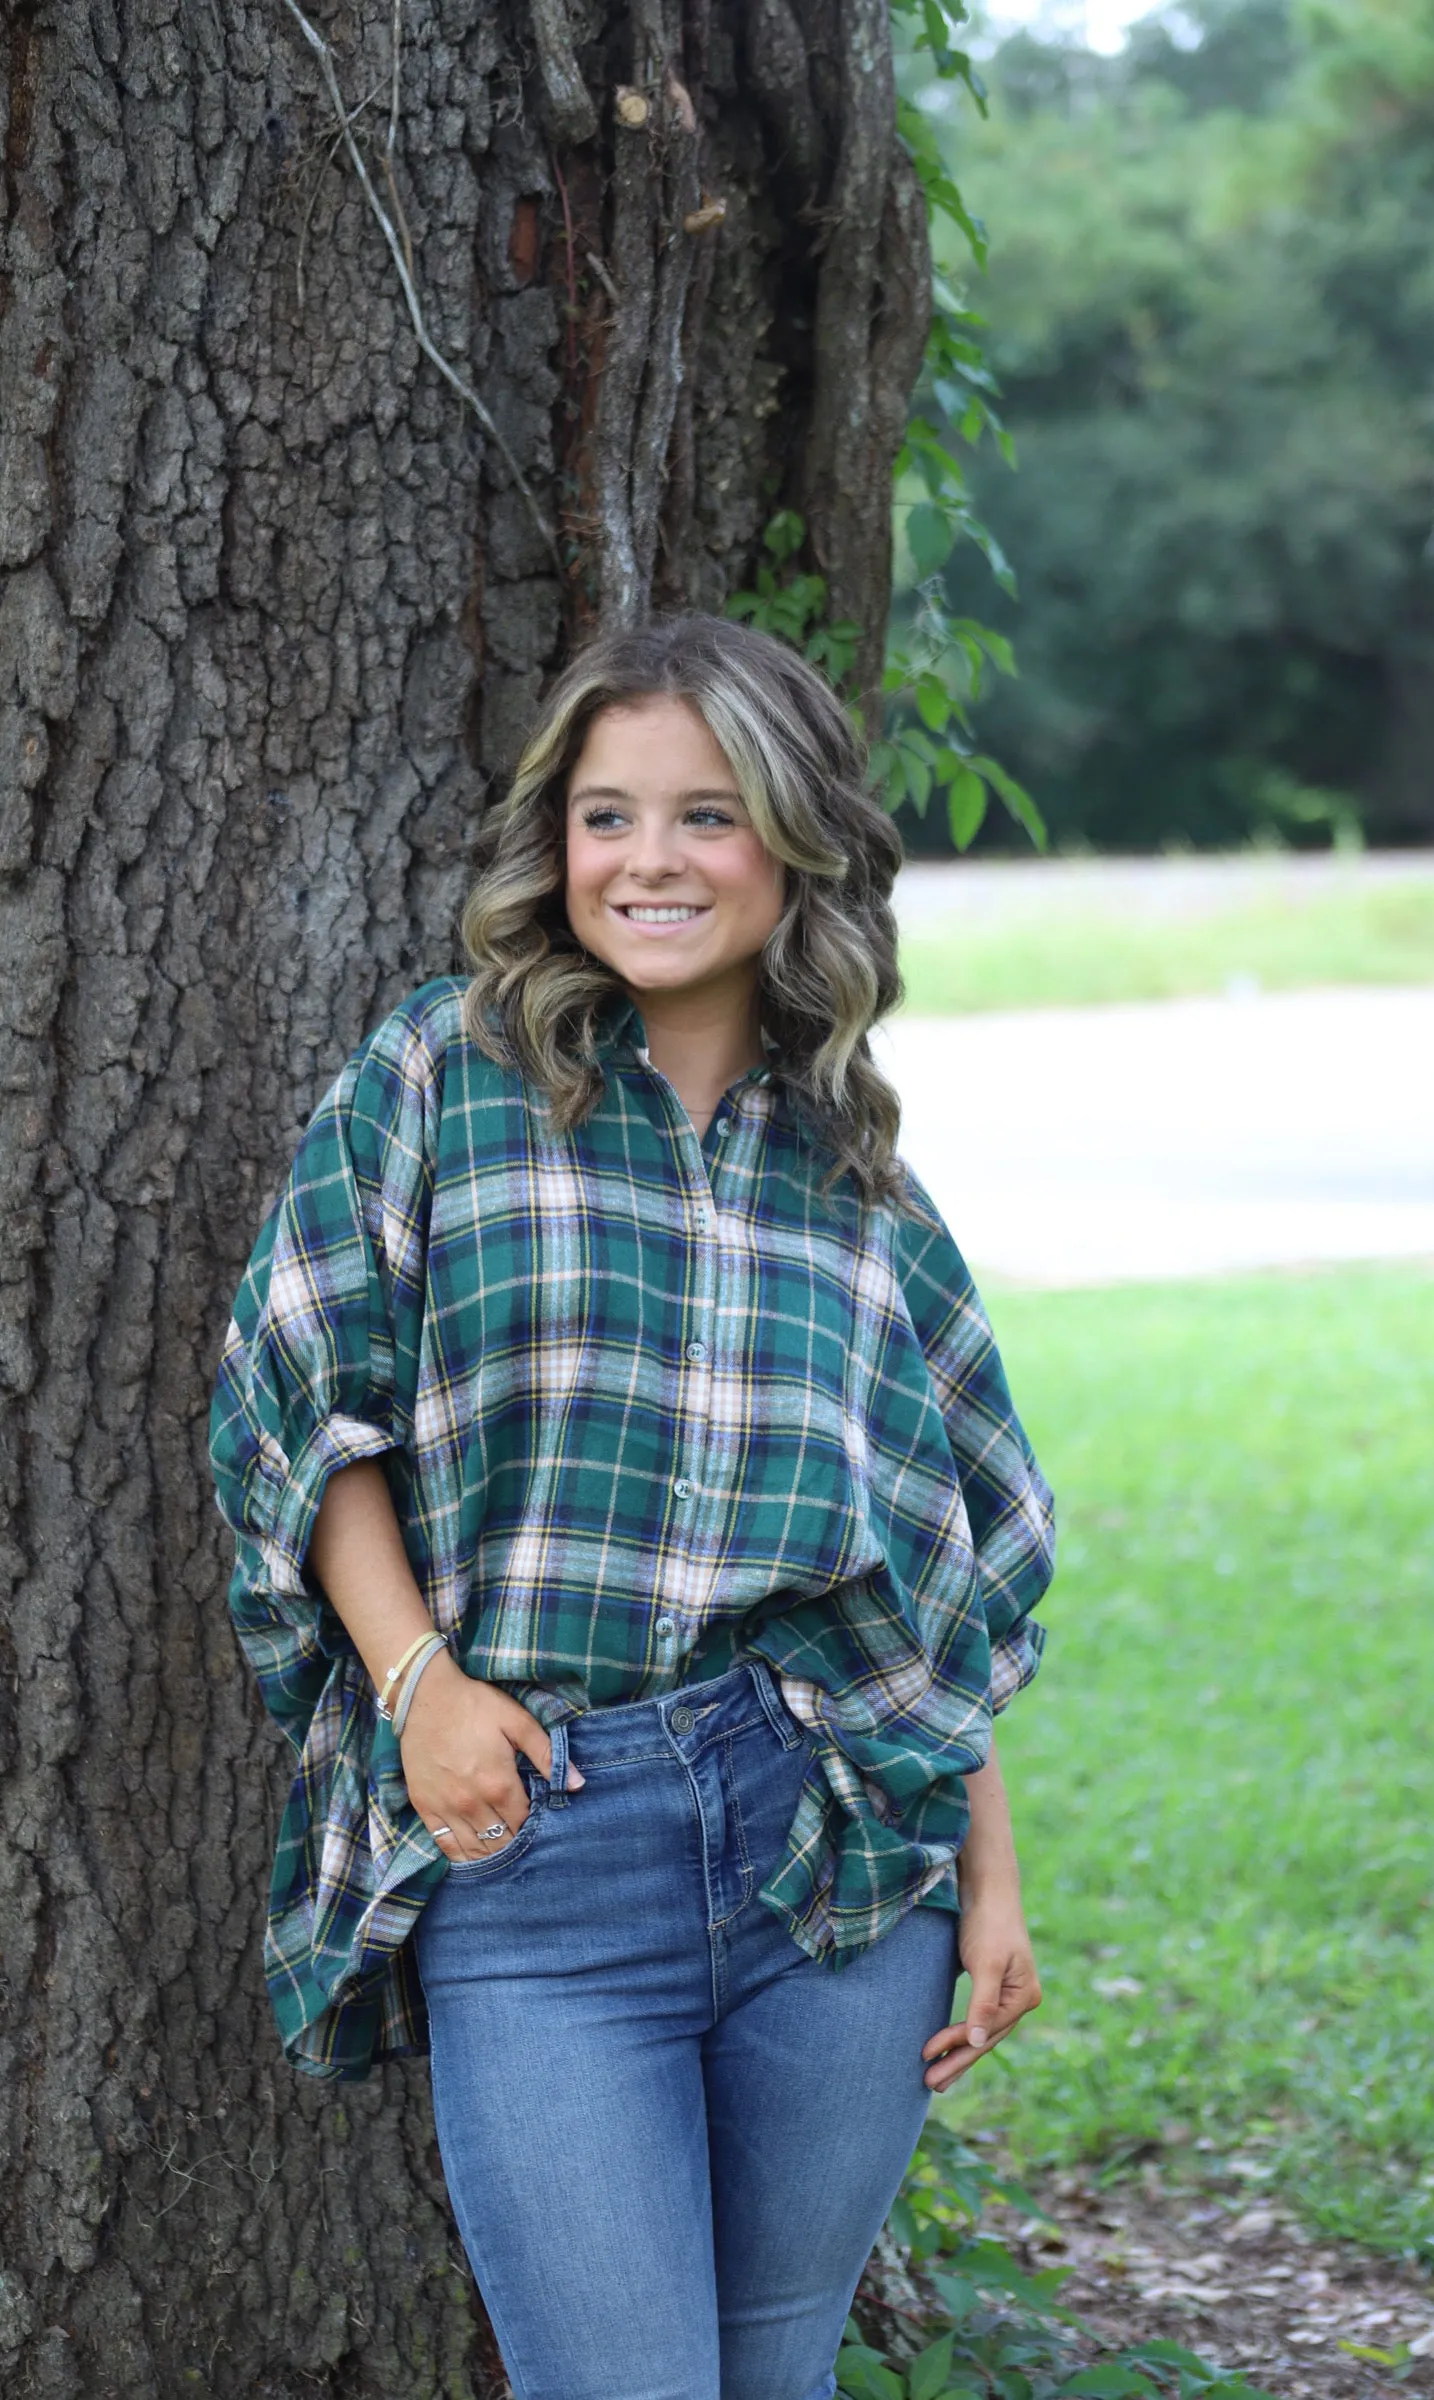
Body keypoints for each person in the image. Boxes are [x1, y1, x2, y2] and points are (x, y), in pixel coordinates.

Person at [210, 612, 1055, 2400]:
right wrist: (418, 1682)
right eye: (607, 816)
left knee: (775, 2373)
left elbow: (940, 1567)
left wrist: (991, 1878)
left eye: (706, 813)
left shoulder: (858, 1178)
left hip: (828, 1845)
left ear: (793, 845)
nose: (650, 860)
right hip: (545, 1840)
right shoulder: (444, 1076)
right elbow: (303, 1402)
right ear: (556, 844)